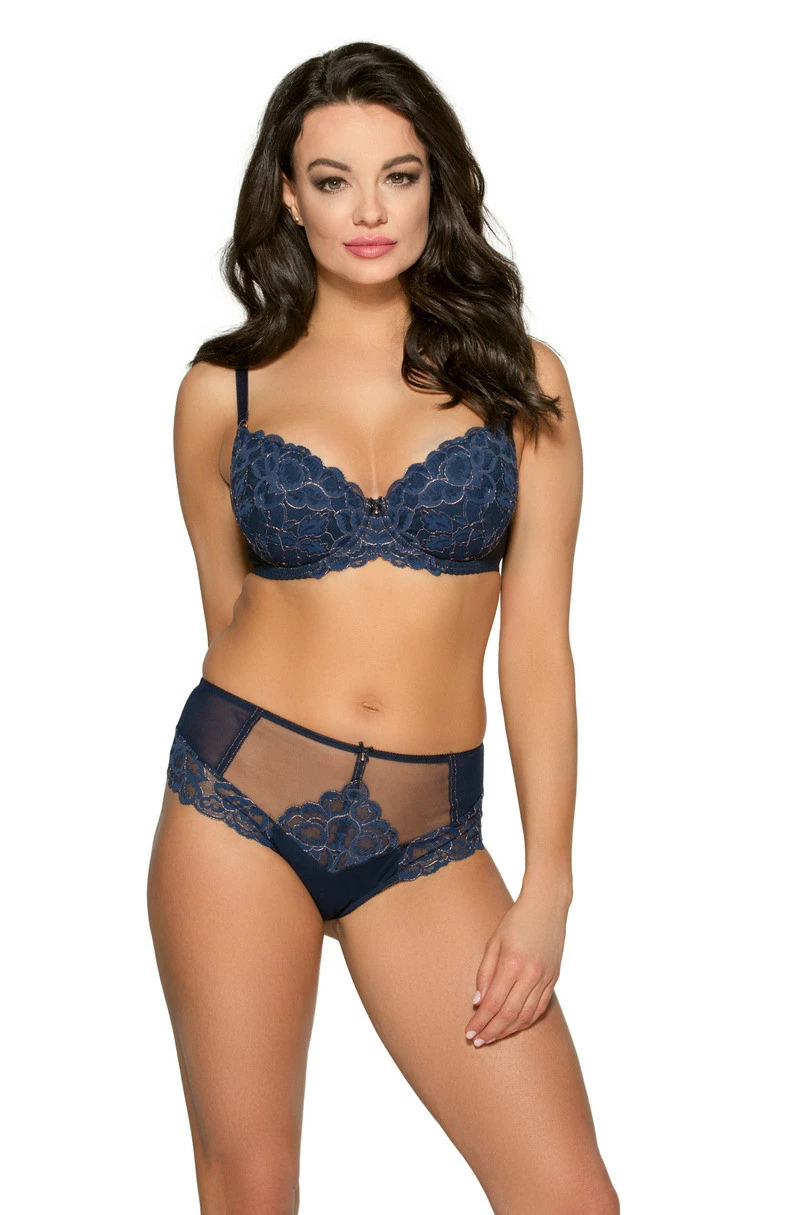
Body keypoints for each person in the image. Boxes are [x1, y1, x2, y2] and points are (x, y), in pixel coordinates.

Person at [147, 40, 620, 1215]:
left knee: (568, 1197)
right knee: (251, 1186)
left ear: (434, 186)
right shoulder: (222, 391)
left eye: (398, 177)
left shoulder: (523, 384)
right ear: (288, 196)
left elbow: (537, 650)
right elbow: (227, 615)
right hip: (237, 800)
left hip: (425, 833)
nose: (369, 211)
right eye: (334, 180)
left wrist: (548, 882)